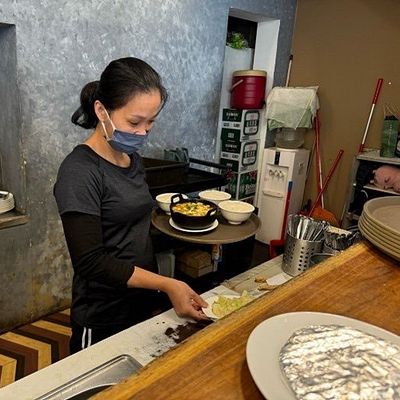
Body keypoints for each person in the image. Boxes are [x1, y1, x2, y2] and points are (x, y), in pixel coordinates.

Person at [54, 57, 208, 354]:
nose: (143, 132)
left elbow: (133, 221)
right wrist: (168, 284)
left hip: (140, 302)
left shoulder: (131, 158)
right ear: (102, 111)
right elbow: (90, 261)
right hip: (103, 314)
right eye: (135, 122)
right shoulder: (79, 172)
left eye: (151, 122)